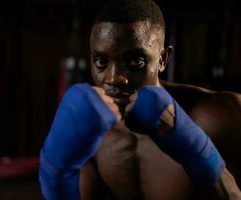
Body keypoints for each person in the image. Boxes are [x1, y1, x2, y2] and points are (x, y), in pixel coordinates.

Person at [39, 0, 241, 199]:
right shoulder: (92, 131)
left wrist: (196, 149)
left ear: (163, 59)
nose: (113, 78)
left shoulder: (219, 116)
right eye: (101, 62)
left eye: (135, 61)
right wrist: (54, 177)